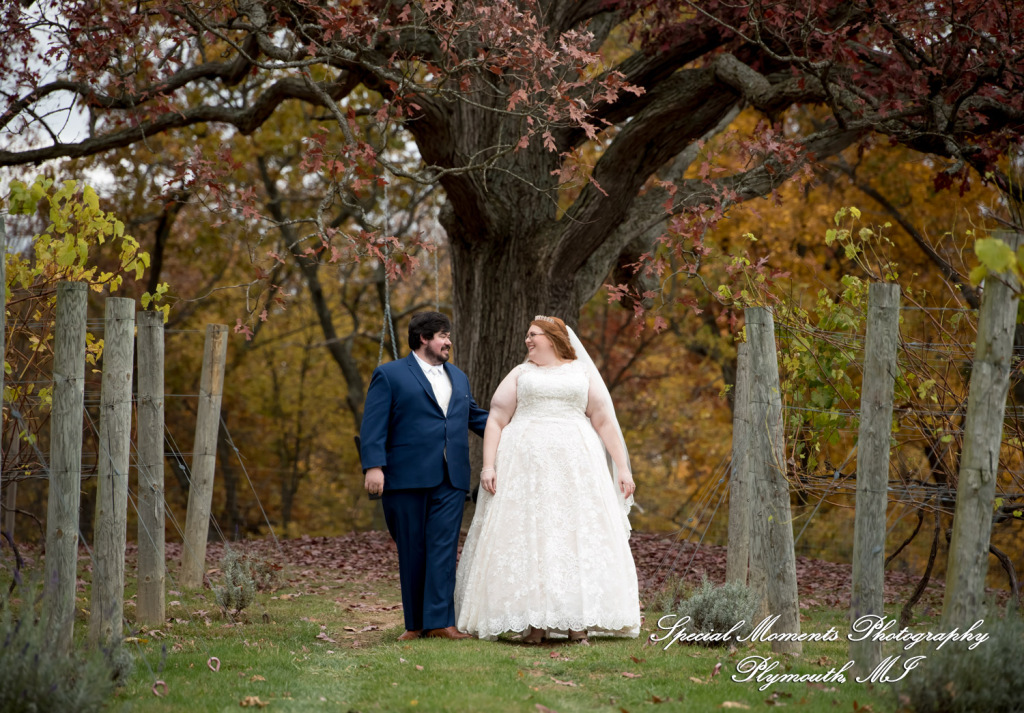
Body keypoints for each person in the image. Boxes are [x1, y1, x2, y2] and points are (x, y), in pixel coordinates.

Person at [454, 315, 641, 644]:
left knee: (572, 535)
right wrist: (488, 466)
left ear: (553, 338)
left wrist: (623, 468)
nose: (527, 340)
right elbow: (496, 419)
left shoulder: (581, 373)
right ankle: (534, 623)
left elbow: (603, 420)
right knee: (531, 535)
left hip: (576, 467)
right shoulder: (521, 373)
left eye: (534, 335)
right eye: (527, 335)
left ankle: (577, 623)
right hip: (525, 469)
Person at [360, 311, 488, 640]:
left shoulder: (459, 377)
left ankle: (441, 623)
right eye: (443, 335)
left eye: (448, 336)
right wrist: (374, 466)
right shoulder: (389, 374)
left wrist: (524, 428)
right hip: (405, 478)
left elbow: (475, 417)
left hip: (451, 477)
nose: (449, 342)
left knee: (443, 549)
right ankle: (415, 625)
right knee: (412, 549)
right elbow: (373, 424)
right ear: (423, 338)